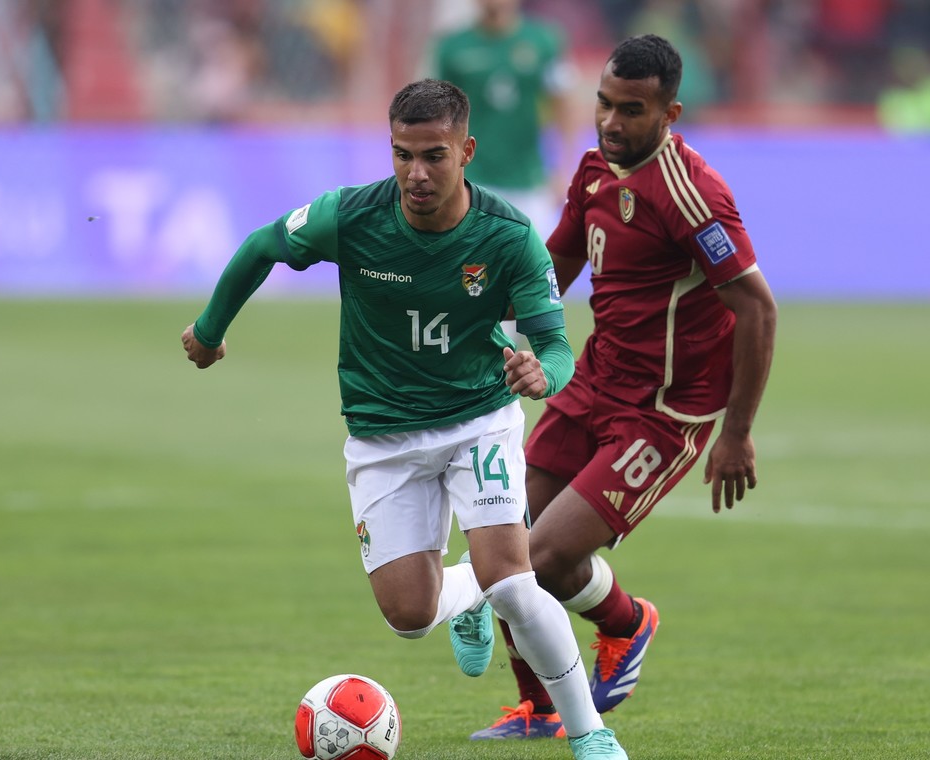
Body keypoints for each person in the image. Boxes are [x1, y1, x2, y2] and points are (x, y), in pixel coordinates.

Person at [180, 78, 627, 760]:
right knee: (411, 616)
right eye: (402, 155)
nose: (416, 173)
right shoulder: (351, 216)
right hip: (382, 435)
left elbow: (559, 347)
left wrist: (545, 374)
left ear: (465, 152)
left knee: (514, 582)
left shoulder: (509, 237)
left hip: (478, 419)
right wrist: (210, 331)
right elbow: (264, 245)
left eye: (433, 156)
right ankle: (469, 593)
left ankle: (591, 734)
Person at [470, 35, 778, 740]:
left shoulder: (692, 194)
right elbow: (557, 262)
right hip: (593, 382)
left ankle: (625, 622)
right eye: (604, 104)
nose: (610, 122)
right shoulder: (592, 170)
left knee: (544, 559)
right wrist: (489, 328)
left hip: (663, 412)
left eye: (631, 110)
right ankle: (539, 706)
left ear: (670, 113)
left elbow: (756, 308)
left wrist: (735, 432)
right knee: (500, 542)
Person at [430, 0, 578, 239]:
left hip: (529, 182)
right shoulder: (452, 48)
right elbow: (437, 116)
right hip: (472, 182)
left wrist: (565, 169)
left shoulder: (544, 41)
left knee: (540, 259)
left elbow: (564, 105)